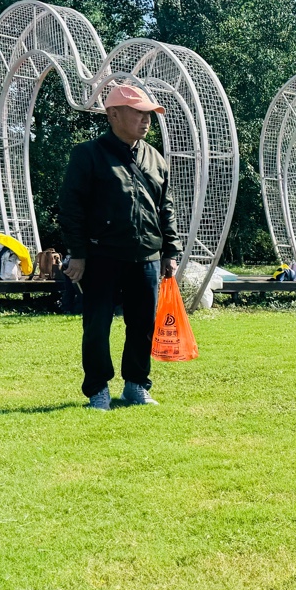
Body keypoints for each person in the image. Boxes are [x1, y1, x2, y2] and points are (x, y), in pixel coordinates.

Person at [57, 84, 180, 410]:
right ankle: (97, 389)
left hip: (147, 255)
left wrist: (170, 251)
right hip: (102, 256)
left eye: (149, 114)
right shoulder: (88, 154)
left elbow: (165, 207)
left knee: (143, 326)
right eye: (138, 113)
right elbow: (71, 208)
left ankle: (136, 385)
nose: (146, 120)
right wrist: (78, 254)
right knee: (97, 326)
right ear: (113, 114)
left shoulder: (155, 157)